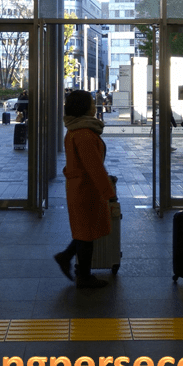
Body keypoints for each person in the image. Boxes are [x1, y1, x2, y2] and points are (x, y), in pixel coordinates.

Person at [53, 90, 116, 289]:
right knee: (86, 234)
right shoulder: (84, 134)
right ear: (83, 107)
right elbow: (94, 167)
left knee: (84, 232)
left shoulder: (76, 130)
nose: (94, 106)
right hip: (86, 189)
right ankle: (84, 276)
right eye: (91, 103)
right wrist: (109, 193)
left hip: (80, 187)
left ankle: (69, 259)